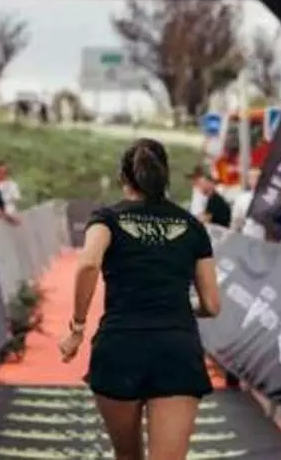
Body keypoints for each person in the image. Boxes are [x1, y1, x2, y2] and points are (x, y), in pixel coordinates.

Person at [58, 138, 221, 460]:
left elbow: (88, 264)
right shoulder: (192, 226)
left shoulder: (106, 219)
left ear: (123, 177)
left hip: (120, 346)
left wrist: (77, 327)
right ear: (165, 175)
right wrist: (177, 304)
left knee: (127, 455)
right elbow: (212, 305)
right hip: (176, 348)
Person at [230, 167, 266, 239]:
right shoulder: (242, 198)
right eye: (251, 178)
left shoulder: (267, 198)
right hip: (245, 233)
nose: (255, 180)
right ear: (249, 180)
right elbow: (236, 219)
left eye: (257, 177)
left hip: (262, 235)